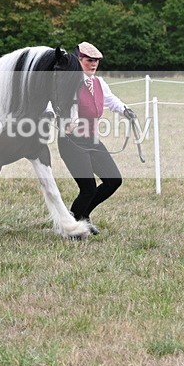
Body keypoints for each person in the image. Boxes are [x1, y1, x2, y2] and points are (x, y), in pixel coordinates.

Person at [57, 41, 137, 235]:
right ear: (79, 60)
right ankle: (74, 225)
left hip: (91, 139)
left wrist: (125, 110)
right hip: (71, 141)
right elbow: (52, 104)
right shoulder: (68, 82)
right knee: (88, 189)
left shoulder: (98, 82)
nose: (93, 64)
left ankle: (81, 215)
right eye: (89, 60)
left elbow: (110, 100)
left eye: (96, 61)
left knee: (113, 180)